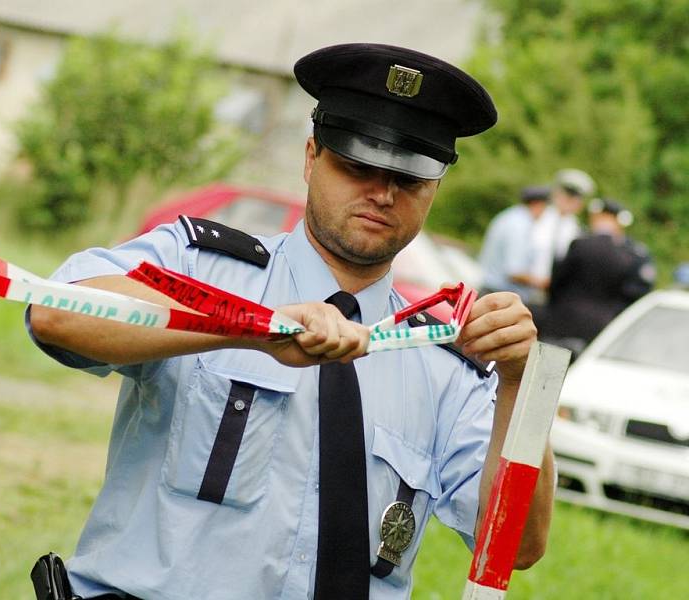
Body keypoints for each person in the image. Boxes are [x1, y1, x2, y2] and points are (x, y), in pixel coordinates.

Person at [27, 43, 552, 600]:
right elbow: (56, 313)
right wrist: (253, 327)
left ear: (434, 189)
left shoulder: (445, 358)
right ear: (310, 158)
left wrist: (521, 388)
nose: (381, 193)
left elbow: (515, 547)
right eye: (358, 165)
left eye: (409, 179)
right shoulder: (202, 268)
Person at [535, 197, 656, 347]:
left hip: (569, 320)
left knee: (551, 365)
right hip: (599, 325)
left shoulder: (581, 244)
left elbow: (558, 280)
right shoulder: (630, 254)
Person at [478, 184, 551, 302]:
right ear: (537, 204)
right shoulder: (520, 226)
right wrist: (544, 283)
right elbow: (514, 272)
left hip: (492, 292)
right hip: (498, 296)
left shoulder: (510, 217)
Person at [529, 168, 596, 293]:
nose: (570, 202)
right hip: (524, 286)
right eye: (568, 195)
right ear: (556, 193)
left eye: (577, 198)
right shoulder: (537, 216)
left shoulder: (576, 229)